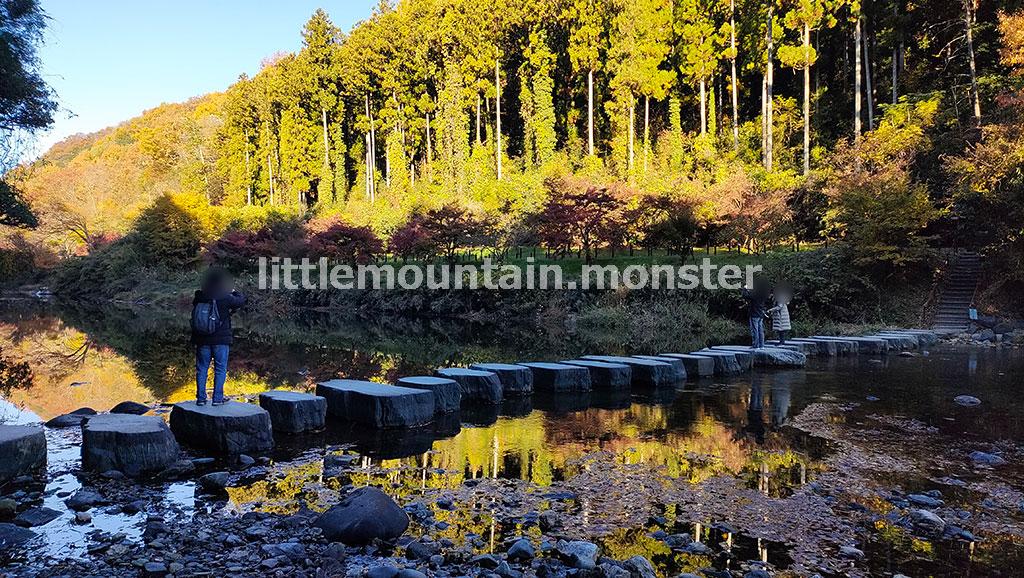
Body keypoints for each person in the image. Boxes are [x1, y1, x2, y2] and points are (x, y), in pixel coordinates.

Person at [191, 267, 246, 406]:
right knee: (220, 369)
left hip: (202, 339)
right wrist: (234, 291)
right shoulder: (225, 297)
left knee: (202, 368)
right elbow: (241, 300)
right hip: (221, 340)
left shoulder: (199, 296)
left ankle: (201, 399)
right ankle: (217, 399)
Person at [741, 279, 770, 349]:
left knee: (755, 330)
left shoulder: (756, 294)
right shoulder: (763, 294)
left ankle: (755, 345)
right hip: (760, 314)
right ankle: (761, 345)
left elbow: (745, 296)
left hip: (754, 314)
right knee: (760, 330)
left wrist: (745, 288)